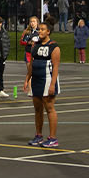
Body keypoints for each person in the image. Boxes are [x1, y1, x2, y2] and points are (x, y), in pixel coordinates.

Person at [28, 18, 62, 148]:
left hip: (47, 80)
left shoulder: (54, 47)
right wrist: (27, 79)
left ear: (48, 32)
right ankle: (38, 135)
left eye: (42, 29)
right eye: (39, 29)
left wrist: (53, 84)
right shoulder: (35, 45)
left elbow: (56, 67)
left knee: (49, 108)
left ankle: (53, 138)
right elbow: (31, 64)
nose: (39, 31)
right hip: (36, 79)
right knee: (37, 109)